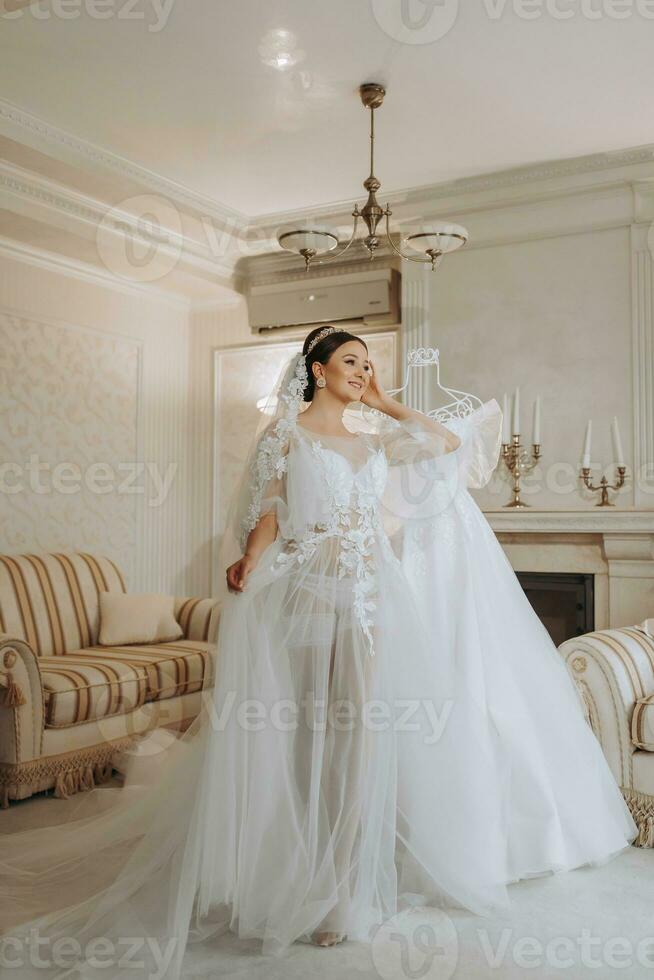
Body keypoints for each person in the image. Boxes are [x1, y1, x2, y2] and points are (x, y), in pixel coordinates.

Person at [0, 326, 637, 978]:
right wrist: (249, 560)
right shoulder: (284, 435)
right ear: (317, 368)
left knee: (360, 740)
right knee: (308, 739)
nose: (362, 371)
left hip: (371, 603)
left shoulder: (371, 440)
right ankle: (297, 877)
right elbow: (269, 512)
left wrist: (387, 402)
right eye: (351, 362)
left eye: (368, 363)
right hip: (305, 601)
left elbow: (447, 444)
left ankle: (344, 889)